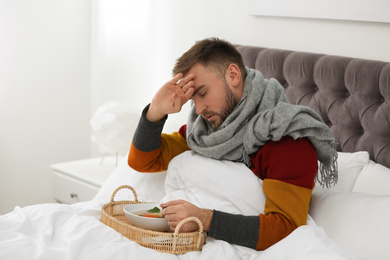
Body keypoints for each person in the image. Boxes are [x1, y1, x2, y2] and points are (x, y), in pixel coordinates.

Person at [128, 38, 337, 250]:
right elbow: (144, 162)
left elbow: (286, 228)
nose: (198, 109)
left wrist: (205, 219)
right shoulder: (205, 132)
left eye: (202, 93)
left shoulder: (288, 140)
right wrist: (155, 110)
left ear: (233, 75)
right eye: (193, 100)